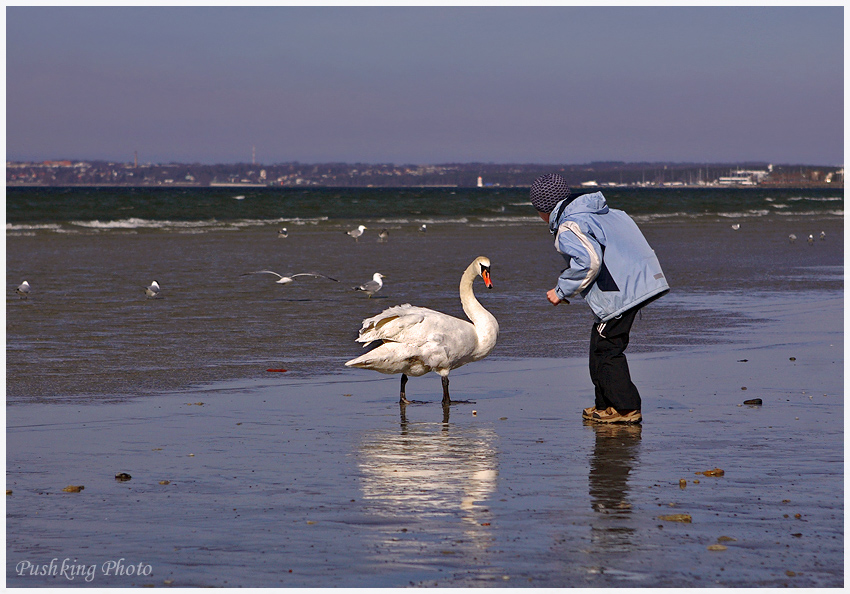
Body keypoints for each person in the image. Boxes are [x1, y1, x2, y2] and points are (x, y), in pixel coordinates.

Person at [530, 173, 669, 424]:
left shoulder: (568, 226)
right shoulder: (603, 212)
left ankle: (626, 408)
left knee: (607, 348)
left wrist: (561, 290)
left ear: (543, 209)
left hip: (620, 294)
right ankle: (606, 405)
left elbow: (589, 261)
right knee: (600, 344)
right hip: (638, 283)